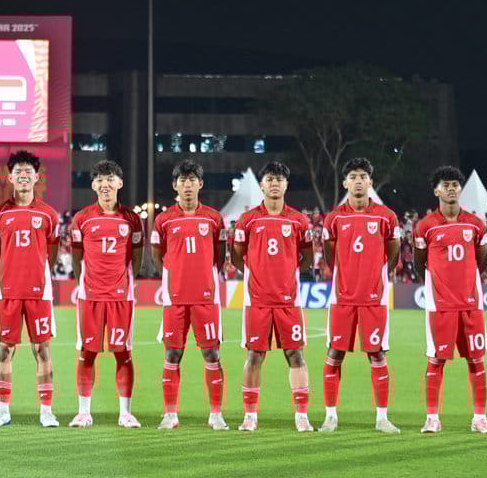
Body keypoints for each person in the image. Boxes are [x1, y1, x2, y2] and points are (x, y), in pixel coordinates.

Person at [413, 166, 487, 434]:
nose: (451, 188)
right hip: (441, 305)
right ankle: (432, 417)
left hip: (471, 304)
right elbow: (419, 264)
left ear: (460, 190)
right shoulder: (425, 226)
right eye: (445, 184)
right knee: (435, 360)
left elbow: (481, 259)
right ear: (436, 190)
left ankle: (480, 418)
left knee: (476, 360)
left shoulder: (476, 224)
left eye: (455, 184)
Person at [320, 157, 401, 434]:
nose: (358, 180)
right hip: (342, 298)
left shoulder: (386, 216)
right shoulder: (334, 218)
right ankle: (331, 416)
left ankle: (382, 418)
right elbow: (330, 254)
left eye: (363, 176)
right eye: (353, 176)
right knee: (334, 354)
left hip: (373, 298)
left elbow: (394, 251)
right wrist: (346, 274)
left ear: (370, 182)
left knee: (377, 355)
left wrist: (375, 275)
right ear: (345, 183)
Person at [231, 161, 313, 432]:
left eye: (279, 179)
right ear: (262, 185)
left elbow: (307, 257)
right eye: (270, 179)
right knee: (255, 355)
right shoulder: (248, 219)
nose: (275, 184)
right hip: (257, 301)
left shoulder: (298, 220)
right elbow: (237, 256)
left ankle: (301, 416)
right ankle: (250, 417)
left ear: (286, 184)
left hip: (288, 300)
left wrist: (286, 275)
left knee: (296, 355)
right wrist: (259, 276)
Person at [0, 151, 61, 427]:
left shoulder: (49, 215)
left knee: (42, 349)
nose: (24, 175)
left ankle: (46, 411)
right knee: (4, 349)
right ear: (10, 177)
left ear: (37, 177)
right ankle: (3, 411)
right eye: (19, 171)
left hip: (39, 292)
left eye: (29, 171)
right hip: (7, 292)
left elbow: (51, 255)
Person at [151, 160, 228, 430]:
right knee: (172, 354)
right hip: (175, 299)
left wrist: (203, 276)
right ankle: (170, 414)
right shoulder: (163, 219)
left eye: (192, 180)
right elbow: (158, 256)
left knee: (211, 354)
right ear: (175, 185)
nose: (187, 185)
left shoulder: (214, 217)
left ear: (200, 184)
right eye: (182, 180)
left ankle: (216, 414)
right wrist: (175, 278)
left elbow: (219, 256)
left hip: (206, 298)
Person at [67, 160, 143, 428]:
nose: (105, 184)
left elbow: (136, 258)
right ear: (93, 185)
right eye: (99, 179)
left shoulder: (132, 219)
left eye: (110, 178)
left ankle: (125, 413)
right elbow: (77, 257)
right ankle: (84, 412)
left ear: (120, 183)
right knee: (86, 352)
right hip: (90, 296)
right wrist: (84, 284)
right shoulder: (82, 218)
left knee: (123, 353)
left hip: (121, 296)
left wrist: (125, 283)